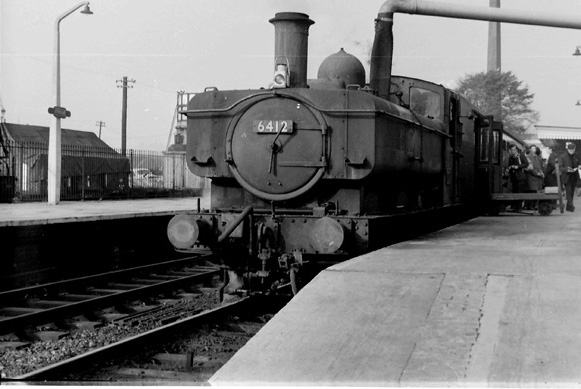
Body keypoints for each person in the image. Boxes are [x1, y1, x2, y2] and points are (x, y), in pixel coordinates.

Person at [558, 142, 581, 212]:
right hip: (566, 176)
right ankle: (571, 205)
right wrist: (566, 170)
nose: (571, 152)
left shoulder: (576, 155)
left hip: (574, 176)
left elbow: (579, 162)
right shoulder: (563, 156)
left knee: (572, 191)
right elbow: (560, 167)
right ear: (567, 149)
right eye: (570, 150)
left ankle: (568, 206)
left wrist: (579, 166)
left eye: (573, 150)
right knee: (569, 191)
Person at [506, 143, 528, 211]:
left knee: (519, 192)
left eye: (514, 150)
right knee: (515, 192)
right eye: (512, 150)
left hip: (521, 177)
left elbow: (526, 164)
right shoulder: (511, 157)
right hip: (514, 178)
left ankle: (519, 207)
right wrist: (509, 168)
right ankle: (515, 207)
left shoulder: (521, 156)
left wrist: (517, 166)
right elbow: (510, 165)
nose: (513, 151)